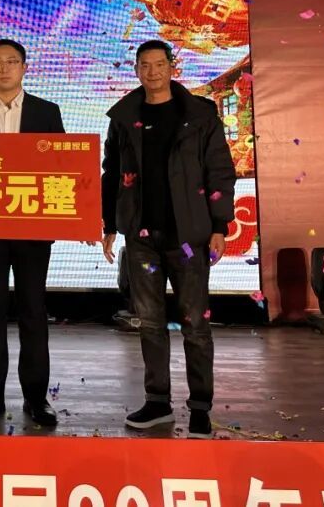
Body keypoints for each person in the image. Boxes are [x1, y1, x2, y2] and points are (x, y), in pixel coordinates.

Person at [100, 40, 236, 439]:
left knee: (196, 324)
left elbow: (219, 170)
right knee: (149, 323)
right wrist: (110, 224)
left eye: (159, 64)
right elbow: (111, 172)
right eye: (145, 65)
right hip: (142, 236)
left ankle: (200, 408)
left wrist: (219, 225)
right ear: (136, 70)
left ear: (172, 67)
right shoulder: (124, 117)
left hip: (188, 235)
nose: (152, 72)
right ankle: (157, 401)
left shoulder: (199, 114)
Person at [0, 39, 65, 428]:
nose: (4, 68)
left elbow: (64, 167)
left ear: (24, 68)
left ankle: (37, 399)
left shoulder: (46, 111)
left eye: (12, 61)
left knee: (33, 311)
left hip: (34, 232)